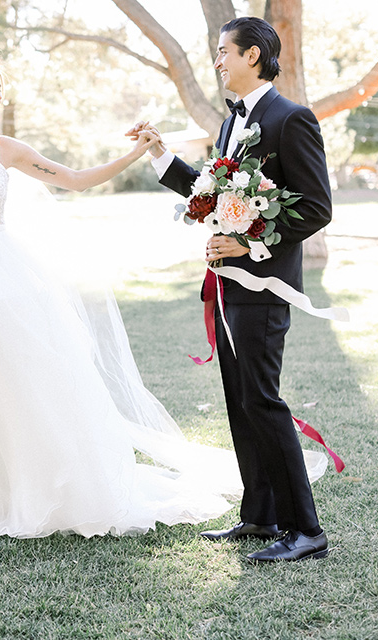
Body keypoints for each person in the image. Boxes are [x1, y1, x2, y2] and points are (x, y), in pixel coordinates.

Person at [0, 57, 324, 539]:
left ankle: (28, 489)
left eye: (0, 90)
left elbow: (75, 181)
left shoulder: (4, 149)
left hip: (3, 280)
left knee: (12, 383)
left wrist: (138, 153)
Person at [135, 17, 334, 562]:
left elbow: (316, 207)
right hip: (227, 288)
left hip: (264, 285)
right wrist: (160, 155)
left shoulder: (291, 119)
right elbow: (210, 195)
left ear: (253, 55)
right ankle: (260, 515)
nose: (217, 60)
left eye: (224, 51)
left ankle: (306, 530)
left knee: (263, 400)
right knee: (240, 399)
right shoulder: (232, 124)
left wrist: (248, 247)